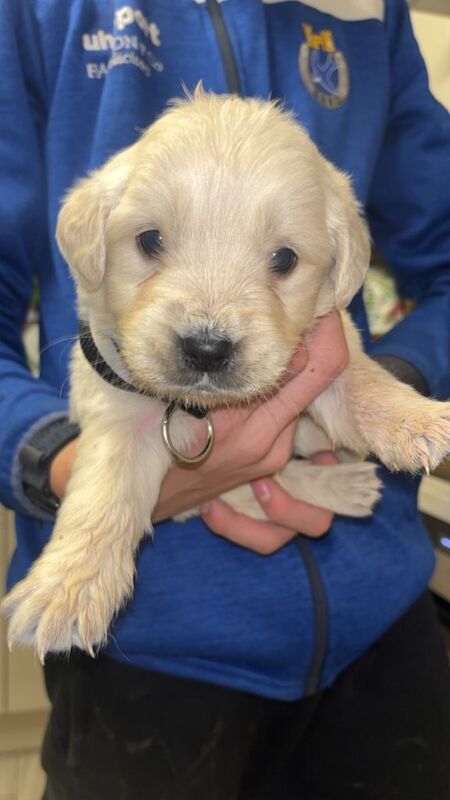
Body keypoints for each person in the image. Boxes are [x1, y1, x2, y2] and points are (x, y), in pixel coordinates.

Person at [1, 1, 449, 798]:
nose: (209, 335)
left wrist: (386, 383)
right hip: (145, 653)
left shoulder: (366, 11)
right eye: (151, 243)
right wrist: (54, 457)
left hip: (383, 624)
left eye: (282, 259)